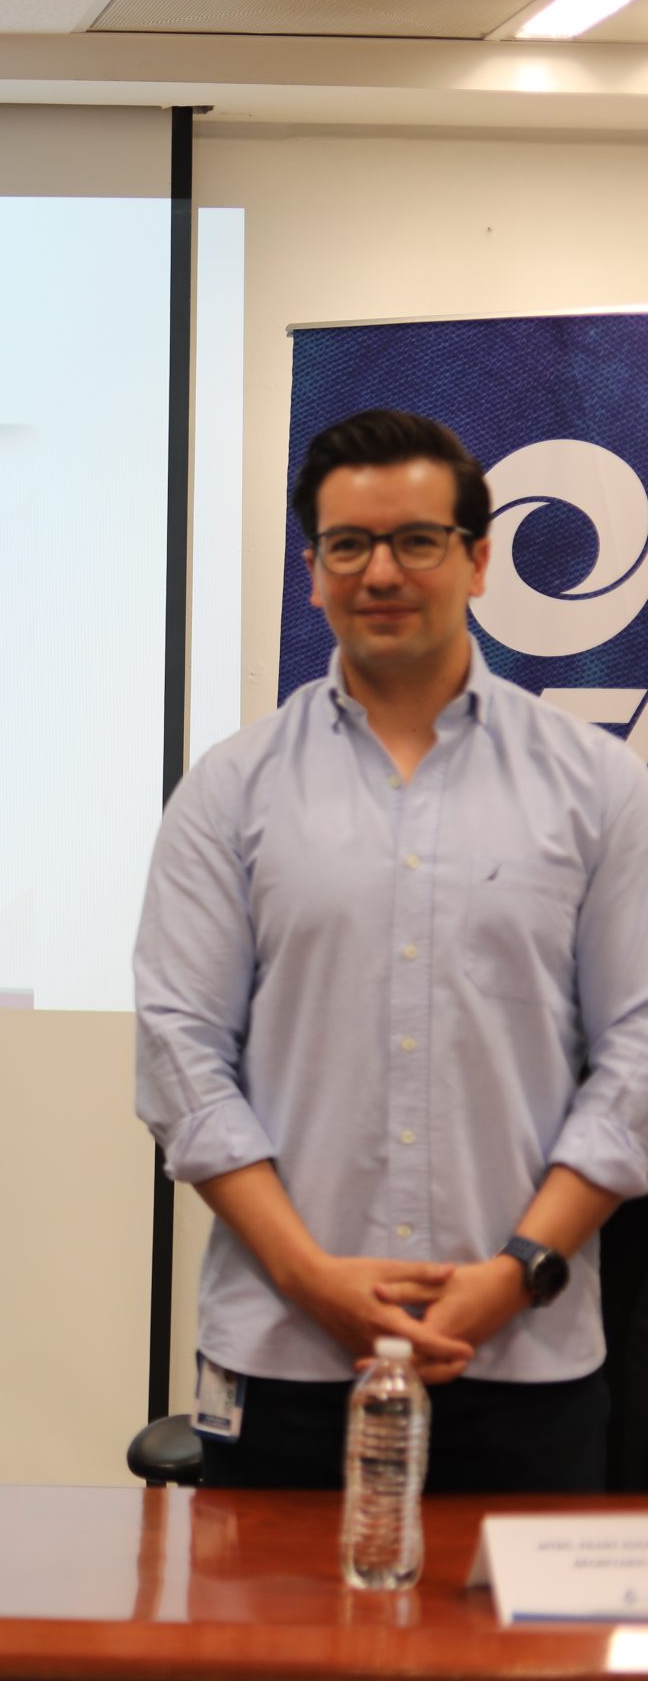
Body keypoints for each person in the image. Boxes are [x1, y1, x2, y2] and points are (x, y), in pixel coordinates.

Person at [136, 409, 648, 1493]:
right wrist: (307, 1276)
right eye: (347, 545)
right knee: (266, 1617)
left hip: (523, 1353)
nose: (380, 572)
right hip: (282, 1351)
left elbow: (638, 1049)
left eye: (416, 540)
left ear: (478, 558)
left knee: (512, 1619)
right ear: (311, 571)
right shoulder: (230, 789)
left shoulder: (599, 786)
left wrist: (517, 1271)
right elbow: (180, 1054)